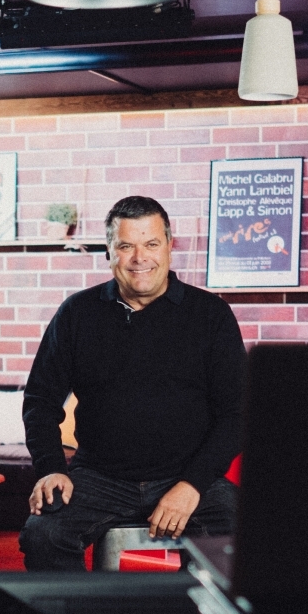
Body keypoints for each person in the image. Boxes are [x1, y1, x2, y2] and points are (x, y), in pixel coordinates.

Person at [19, 194, 247, 570]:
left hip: (188, 475)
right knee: (43, 535)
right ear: (109, 252)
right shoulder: (77, 314)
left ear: (170, 247)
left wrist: (191, 486)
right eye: (126, 246)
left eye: (151, 244)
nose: (140, 258)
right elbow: (40, 401)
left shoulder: (211, 316)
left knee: (241, 532)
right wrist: (51, 468)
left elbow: (237, 413)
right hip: (98, 478)